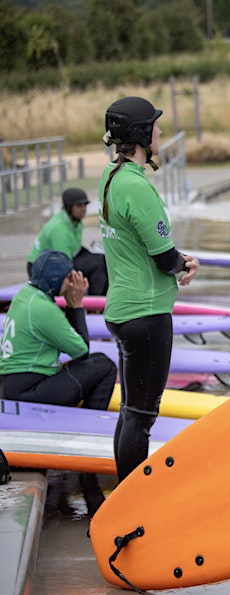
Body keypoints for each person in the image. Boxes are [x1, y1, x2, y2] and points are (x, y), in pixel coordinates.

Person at [99, 95, 199, 482]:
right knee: (141, 417)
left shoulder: (110, 176)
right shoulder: (137, 188)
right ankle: (131, 507)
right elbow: (163, 257)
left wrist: (176, 259)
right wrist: (186, 264)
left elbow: (142, 244)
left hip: (124, 308)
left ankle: (125, 500)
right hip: (146, 313)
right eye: (156, 126)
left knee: (130, 412)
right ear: (142, 135)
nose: (160, 132)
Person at [1, 250, 117, 516]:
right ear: (56, 281)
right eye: (68, 278)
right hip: (30, 392)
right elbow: (80, 349)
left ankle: (84, 425)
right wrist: (76, 304)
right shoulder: (42, 308)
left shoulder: (26, 296)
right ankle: (88, 432)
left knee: (92, 365)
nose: (71, 283)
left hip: (14, 386)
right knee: (103, 366)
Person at [27, 187, 109, 295]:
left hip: (62, 257)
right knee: (97, 265)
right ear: (69, 207)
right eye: (79, 205)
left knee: (104, 259)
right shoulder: (60, 229)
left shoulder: (76, 221)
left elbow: (76, 250)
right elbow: (64, 264)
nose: (84, 209)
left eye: (85, 205)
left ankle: (103, 298)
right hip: (40, 266)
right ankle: (94, 304)